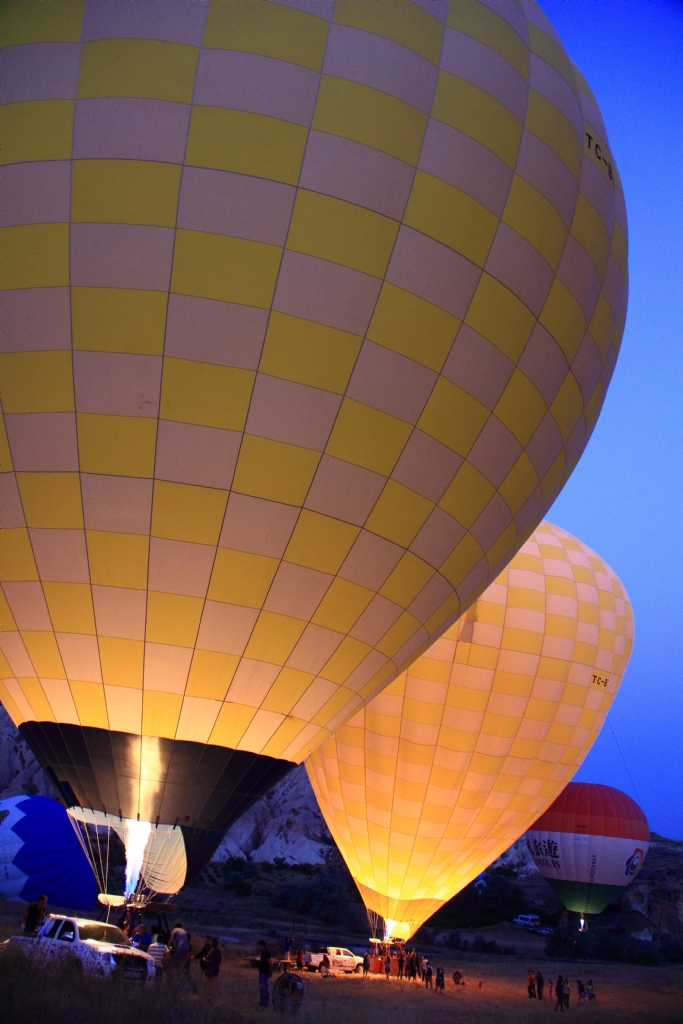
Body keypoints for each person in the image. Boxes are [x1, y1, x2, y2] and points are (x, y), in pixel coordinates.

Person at [257, 940, 272, 1007]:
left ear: (262, 946)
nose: (258, 947)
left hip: (265, 973)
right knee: (261, 988)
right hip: (261, 972)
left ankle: (266, 1004)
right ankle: (262, 1002)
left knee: (265, 988)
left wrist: (270, 971)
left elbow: (270, 963)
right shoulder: (262, 953)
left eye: (259, 945)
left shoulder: (266, 953)